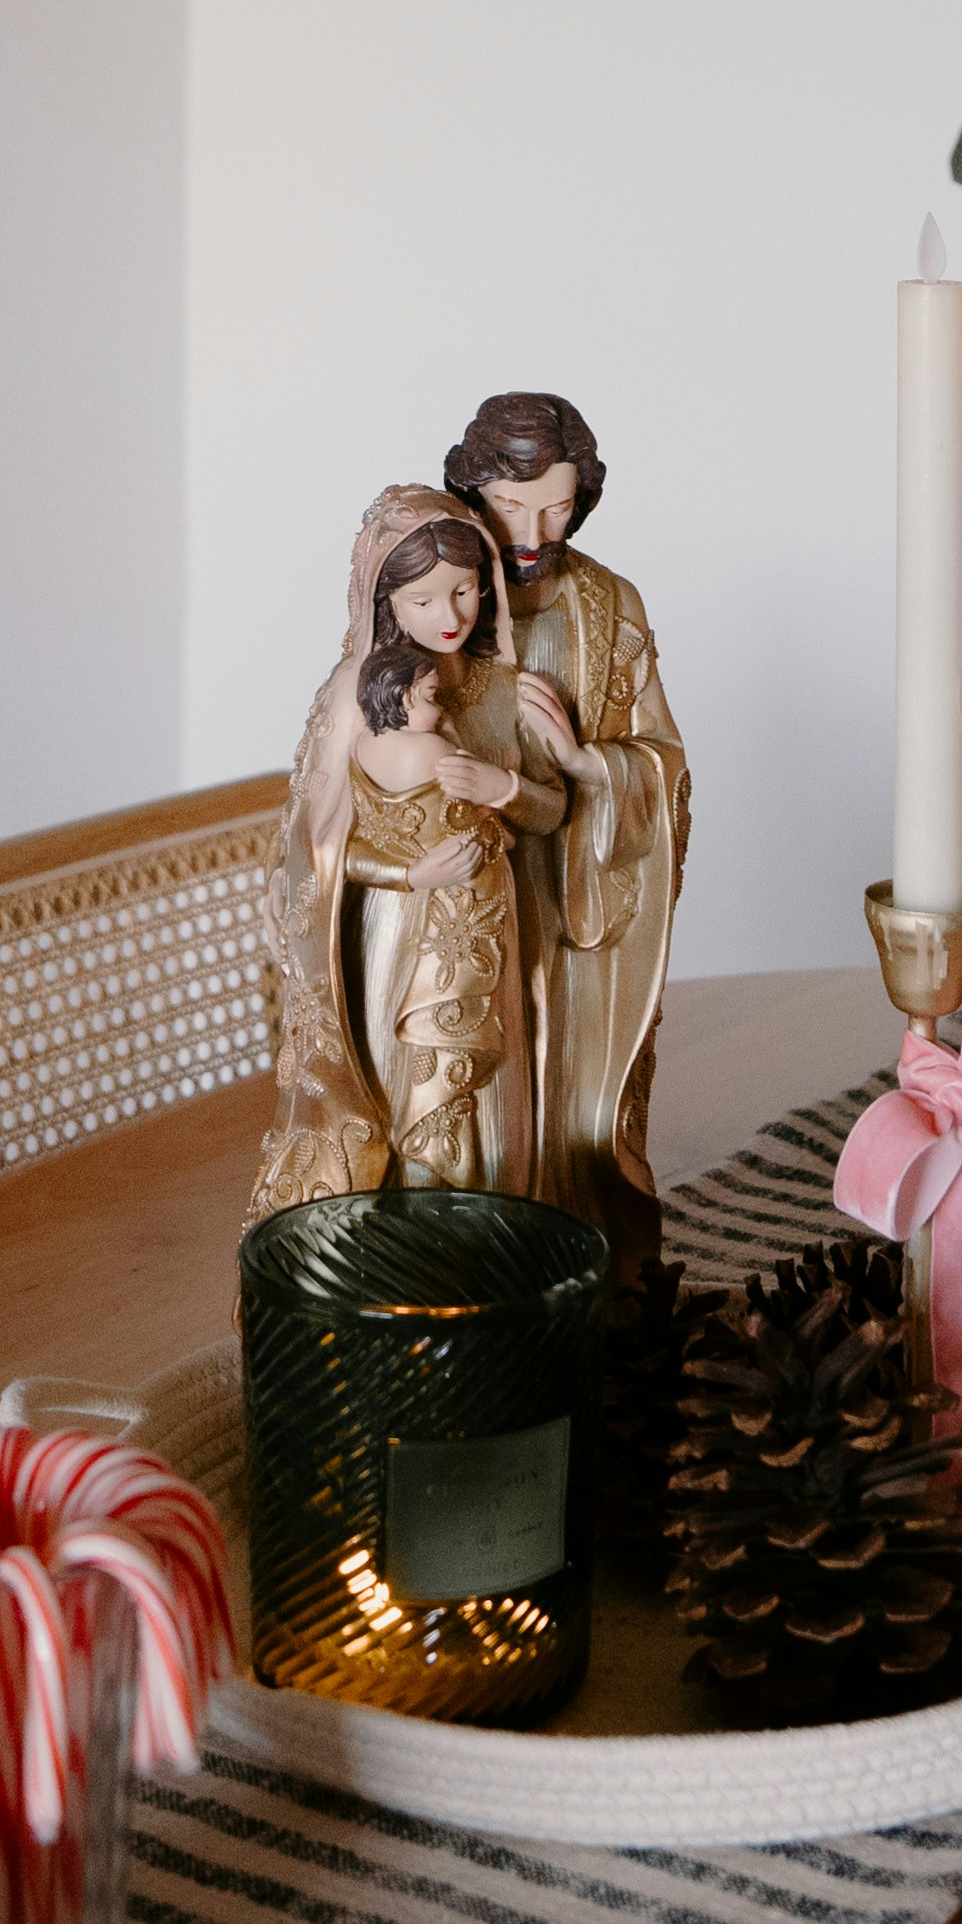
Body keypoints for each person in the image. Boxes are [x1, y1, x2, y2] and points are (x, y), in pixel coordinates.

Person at [255, 488, 578, 1210]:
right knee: (412, 1104)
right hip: (390, 941)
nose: (450, 617)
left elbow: (552, 808)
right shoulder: (356, 693)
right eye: (423, 601)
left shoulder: (504, 687)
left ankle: (489, 1257)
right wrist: (408, 873)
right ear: (384, 602)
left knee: (484, 1106)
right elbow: (318, 841)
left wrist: (505, 787)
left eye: (463, 591)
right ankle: (398, 1258)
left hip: (492, 939)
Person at [442, 392, 690, 1280]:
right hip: (473, 891)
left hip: (580, 891)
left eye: (556, 503)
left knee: (575, 1088)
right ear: (472, 494)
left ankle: (585, 1269)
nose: (534, 527)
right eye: (511, 506)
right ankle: (484, 1268)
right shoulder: (440, 595)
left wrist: (592, 768)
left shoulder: (608, 605)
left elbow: (663, 757)